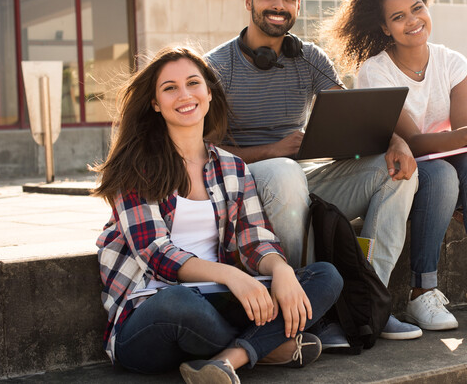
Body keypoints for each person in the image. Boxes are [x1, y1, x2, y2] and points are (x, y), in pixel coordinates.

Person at [92, 46, 343, 383]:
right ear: (155, 103)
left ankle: (229, 358)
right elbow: (157, 256)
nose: (184, 95)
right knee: (179, 303)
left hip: (217, 302)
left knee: (325, 276)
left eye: (193, 83)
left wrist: (280, 270)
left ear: (208, 93)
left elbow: (256, 241)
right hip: (150, 316)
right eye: (170, 88)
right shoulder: (137, 168)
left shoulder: (232, 167)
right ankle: (265, 348)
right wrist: (231, 275)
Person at [204, 0, 422, 341]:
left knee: (397, 169)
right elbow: (205, 153)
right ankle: (311, 313)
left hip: (299, 180)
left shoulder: (309, 58)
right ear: (248, 1)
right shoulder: (218, 66)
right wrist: (274, 150)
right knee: (286, 173)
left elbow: (354, 115)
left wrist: (395, 141)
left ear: (298, 6)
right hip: (246, 190)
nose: (279, 3)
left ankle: (368, 304)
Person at [323, 0, 467, 334]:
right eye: (399, 17)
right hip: (410, 169)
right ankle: (421, 292)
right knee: (442, 172)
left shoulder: (453, 63)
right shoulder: (375, 71)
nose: (413, 21)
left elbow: (465, 139)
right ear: (384, 27)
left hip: (446, 165)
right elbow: (415, 142)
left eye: (417, 8)